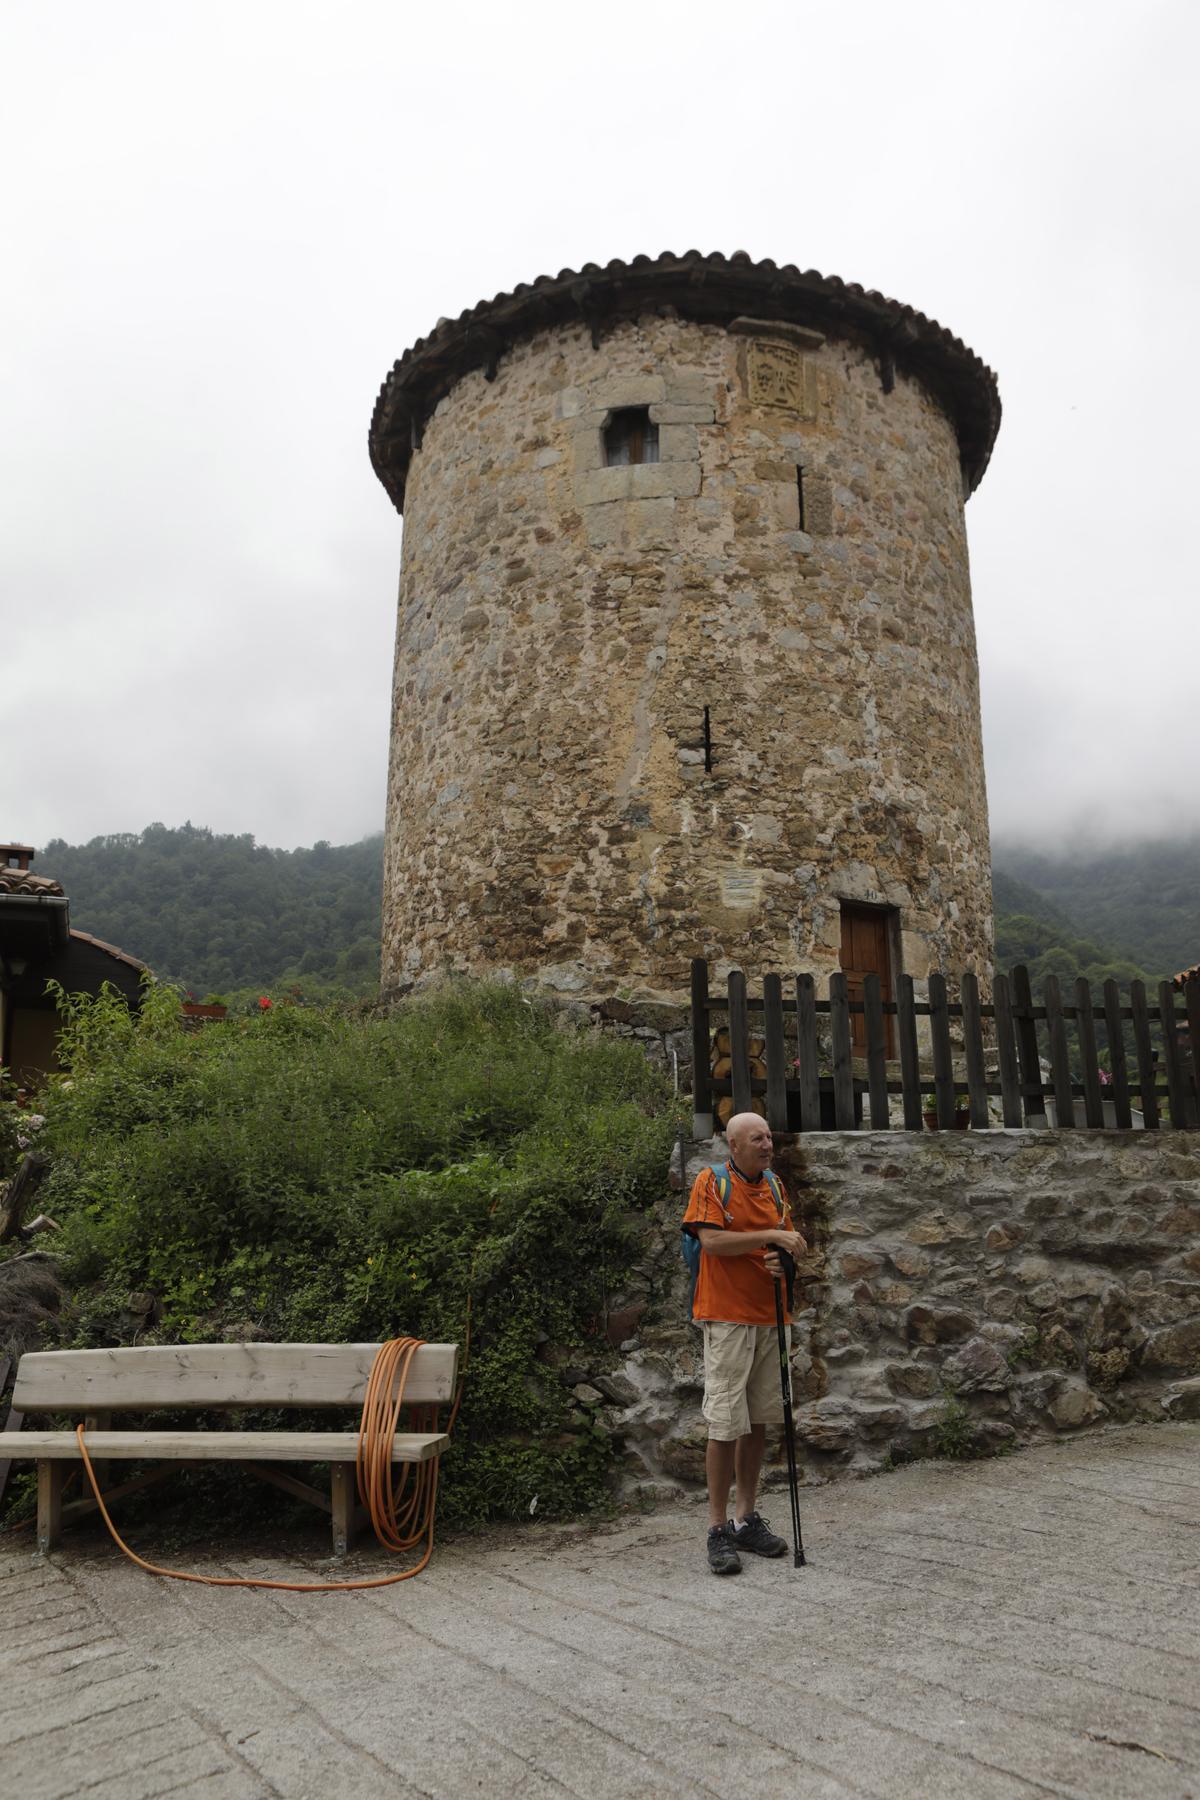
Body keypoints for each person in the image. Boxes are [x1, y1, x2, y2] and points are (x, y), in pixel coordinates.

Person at [682, 1111, 807, 1575]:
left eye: (769, 1137)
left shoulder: (774, 1186)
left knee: (758, 1420)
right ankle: (717, 1529)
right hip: (727, 1315)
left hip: (772, 1315)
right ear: (733, 1145)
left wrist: (787, 1261)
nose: (767, 1144)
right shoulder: (711, 1184)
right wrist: (773, 1235)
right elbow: (712, 1242)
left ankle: (745, 1519)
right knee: (724, 1422)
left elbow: (792, 1246)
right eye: (757, 1138)